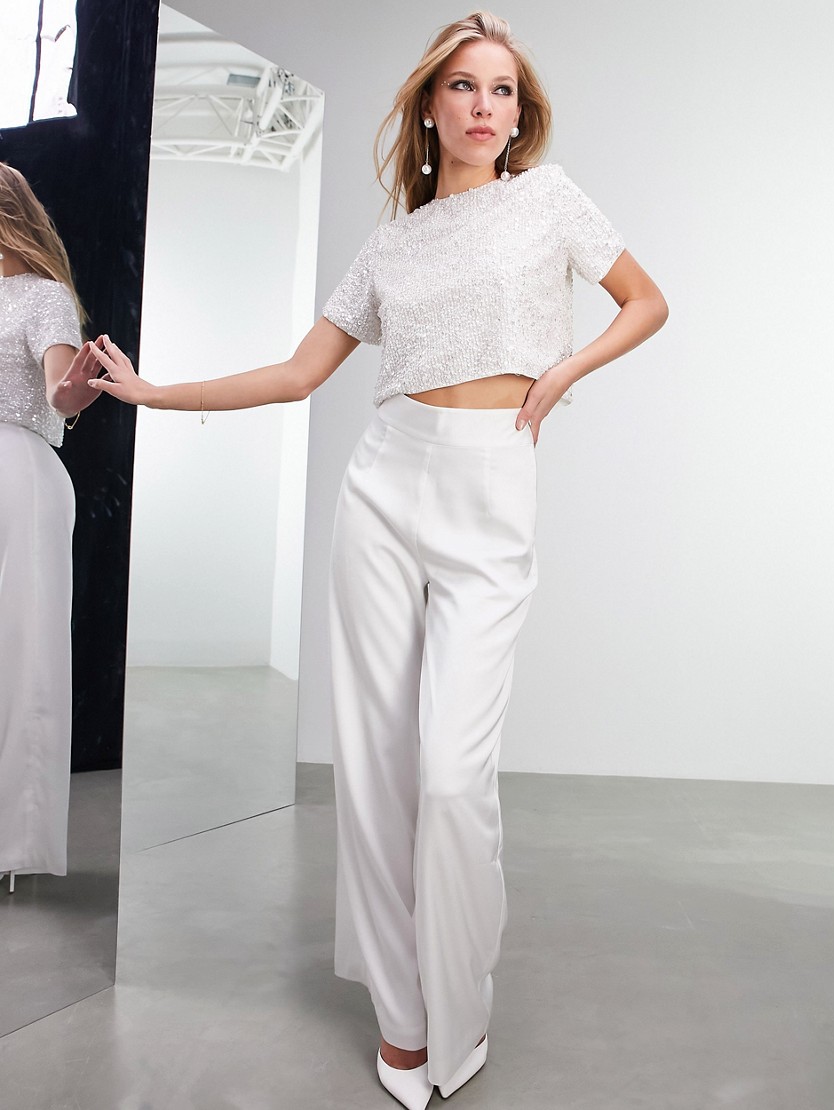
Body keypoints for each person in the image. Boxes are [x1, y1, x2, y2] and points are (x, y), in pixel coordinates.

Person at [85, 11, 668, 1107]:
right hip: (386, 484)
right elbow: (297, 373)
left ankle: (461, 999)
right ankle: (403, 1017)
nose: (485, 106)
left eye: (503, 90)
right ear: (430, 107)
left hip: (491, 484)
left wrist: (559, 372)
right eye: (464, 87)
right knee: (375, 765)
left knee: (452, 778)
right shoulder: (389, 245)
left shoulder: (549, 200)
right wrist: (153, 391)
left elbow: (646, 301)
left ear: (519, 115)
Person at [0, 163, 104, 894]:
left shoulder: (43, 296)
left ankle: (15, 841)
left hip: (18, 475)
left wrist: (79, 388)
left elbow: (61, 392)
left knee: (23, 652)